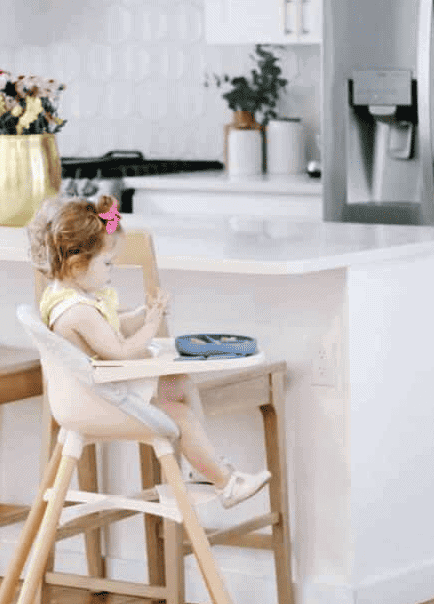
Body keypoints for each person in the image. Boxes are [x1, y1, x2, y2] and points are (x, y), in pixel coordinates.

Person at [27, 194, 271, 510]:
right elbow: (123, 351)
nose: (111, 270)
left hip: (100, 391)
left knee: (179, 384)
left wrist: (141, 313)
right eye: (107, 262)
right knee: (180, 415)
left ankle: (206, 469)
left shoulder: (66, 297)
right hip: (101, 401)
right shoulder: (78, 312)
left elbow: (110, 327)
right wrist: (153, 323)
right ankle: (225, 484)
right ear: (76, 263)